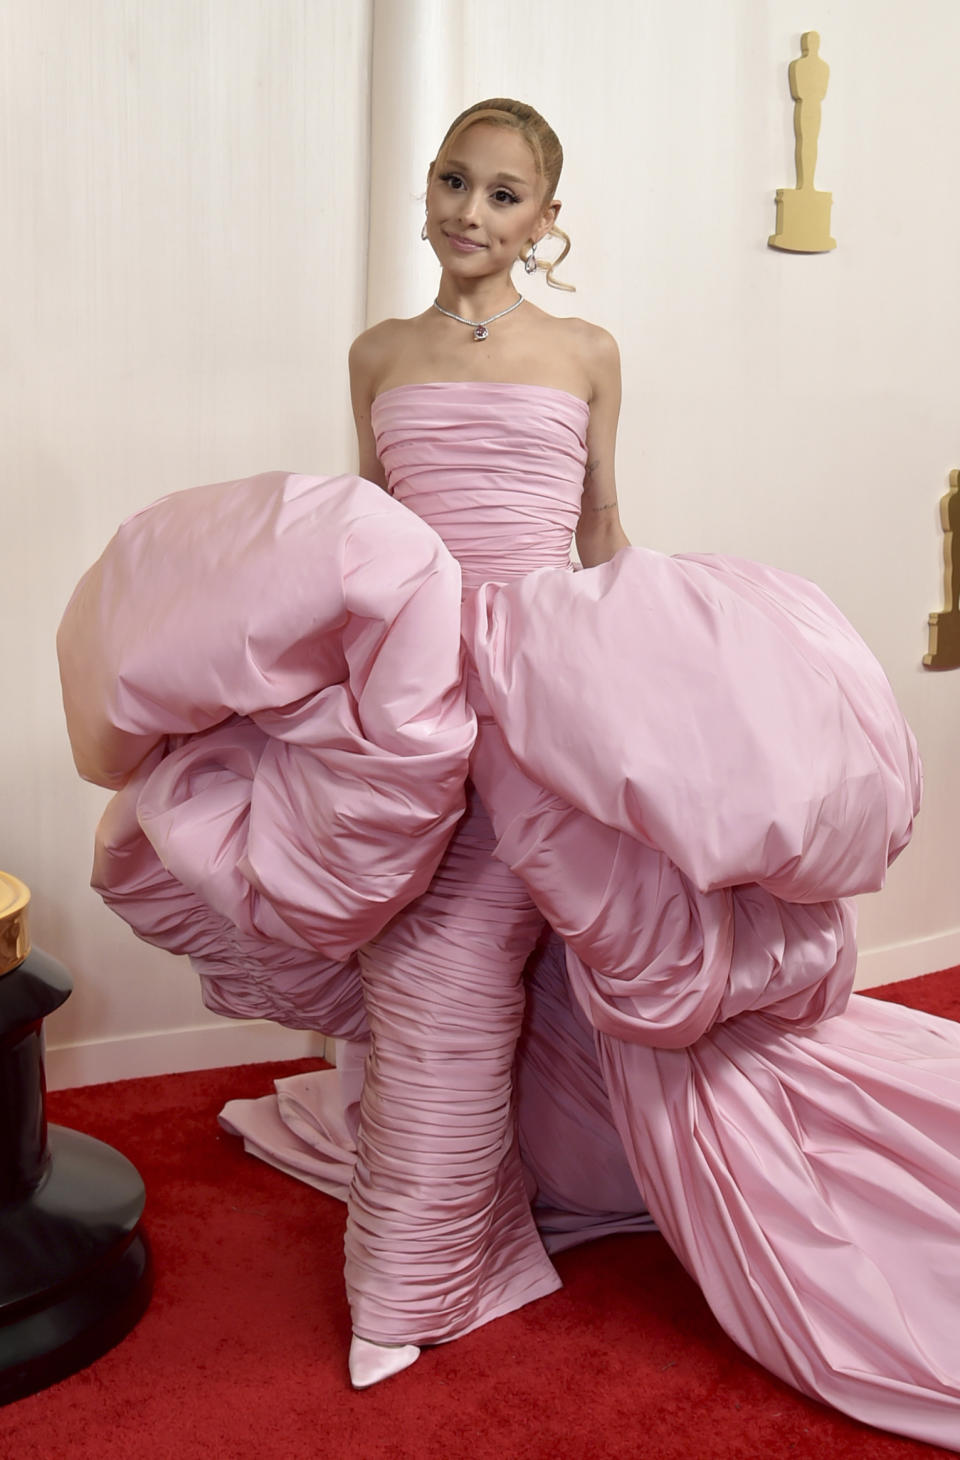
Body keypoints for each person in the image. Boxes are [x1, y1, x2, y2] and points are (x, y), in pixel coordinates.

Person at [57, 100, 960, 1446]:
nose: (471, 215)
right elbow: (373, 530)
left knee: (595, 958)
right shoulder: (377, 352)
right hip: (420, 704)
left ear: (548, 219)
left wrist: (644, 693)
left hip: (549, 677)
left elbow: (601, 530)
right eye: (454, 184)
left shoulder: (588, 351)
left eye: (505, 196)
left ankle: (519, 1207)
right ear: (430, 192)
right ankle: (416, 1278)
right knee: (436, 969)